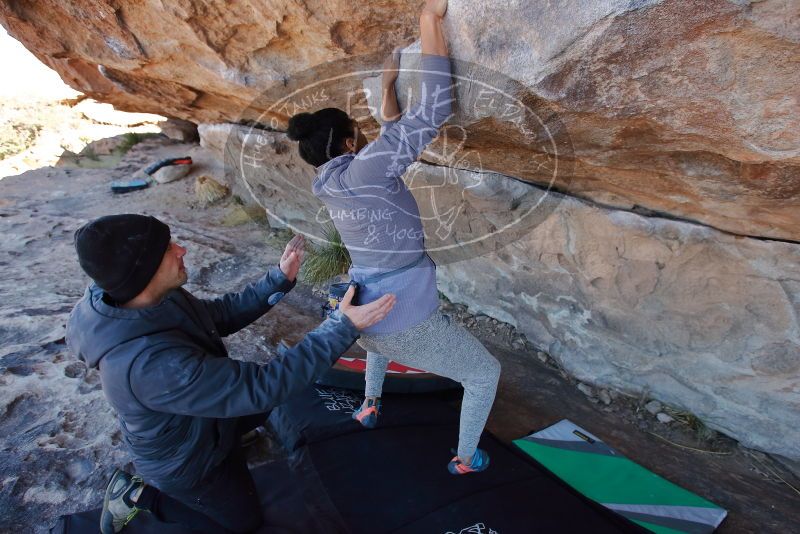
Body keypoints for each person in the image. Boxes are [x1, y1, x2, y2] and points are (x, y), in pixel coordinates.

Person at [66, 214, 395, 533]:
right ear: (142, 272)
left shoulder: (142, 299)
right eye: (168, 248)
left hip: (203, 419)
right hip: (189, 462)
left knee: (275, 392)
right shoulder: (148, 366)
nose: (182, 249)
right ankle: (138, 496)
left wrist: (279, 278)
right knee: (242, 522)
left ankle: (231, 431)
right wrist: (342, 326)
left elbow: (214, 316)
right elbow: (262, 387)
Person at [286, 0, 500, 476]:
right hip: (404, 315)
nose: (364, 137)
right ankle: (465, 458)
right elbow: (432, 110)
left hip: (360, 306)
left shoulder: (331, 179)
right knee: (484, 374)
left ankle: (370, 404)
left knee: (377, 342)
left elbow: (390, 136)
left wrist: (385, 87)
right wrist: (429, 21)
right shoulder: (365, 168)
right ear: (347, 145)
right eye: (356, 134)